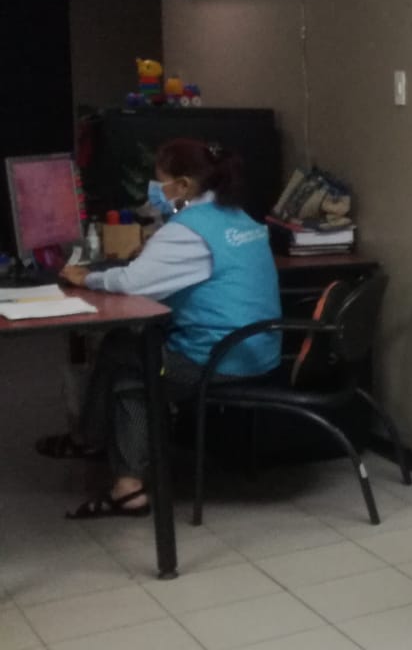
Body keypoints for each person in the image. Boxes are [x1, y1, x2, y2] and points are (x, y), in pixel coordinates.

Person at [49, 139, 281, 518]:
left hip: (217, 359)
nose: (154, 190)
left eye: (160, 181)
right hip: (258, 348)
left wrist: (85, 277)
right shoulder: (238, 216)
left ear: (184, 185)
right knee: (125, 346)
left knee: (130, 366)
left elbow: (132, 283)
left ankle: (124, 484)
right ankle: (92, 442)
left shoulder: (189, 229)